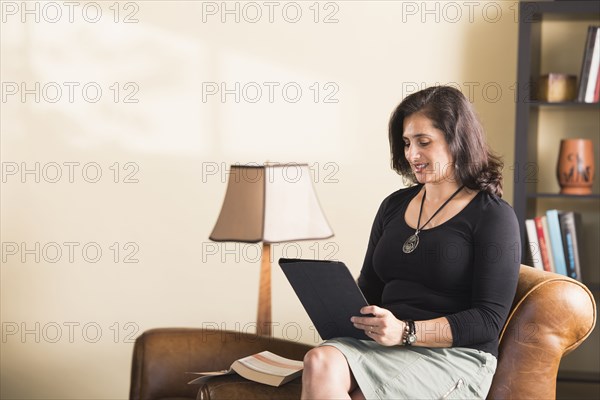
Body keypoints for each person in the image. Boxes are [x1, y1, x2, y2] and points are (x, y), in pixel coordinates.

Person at [301, 86, 521, 400]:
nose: (411, 155)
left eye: (423, 142)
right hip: (384, 345)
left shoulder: (493, 216)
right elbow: (371, 287)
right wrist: (335, 301)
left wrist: (407, 331)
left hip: (453, 355)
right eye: (406, 143)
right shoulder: (393, 205)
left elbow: (487, 320)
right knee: (319, 360)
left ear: (457, 141)